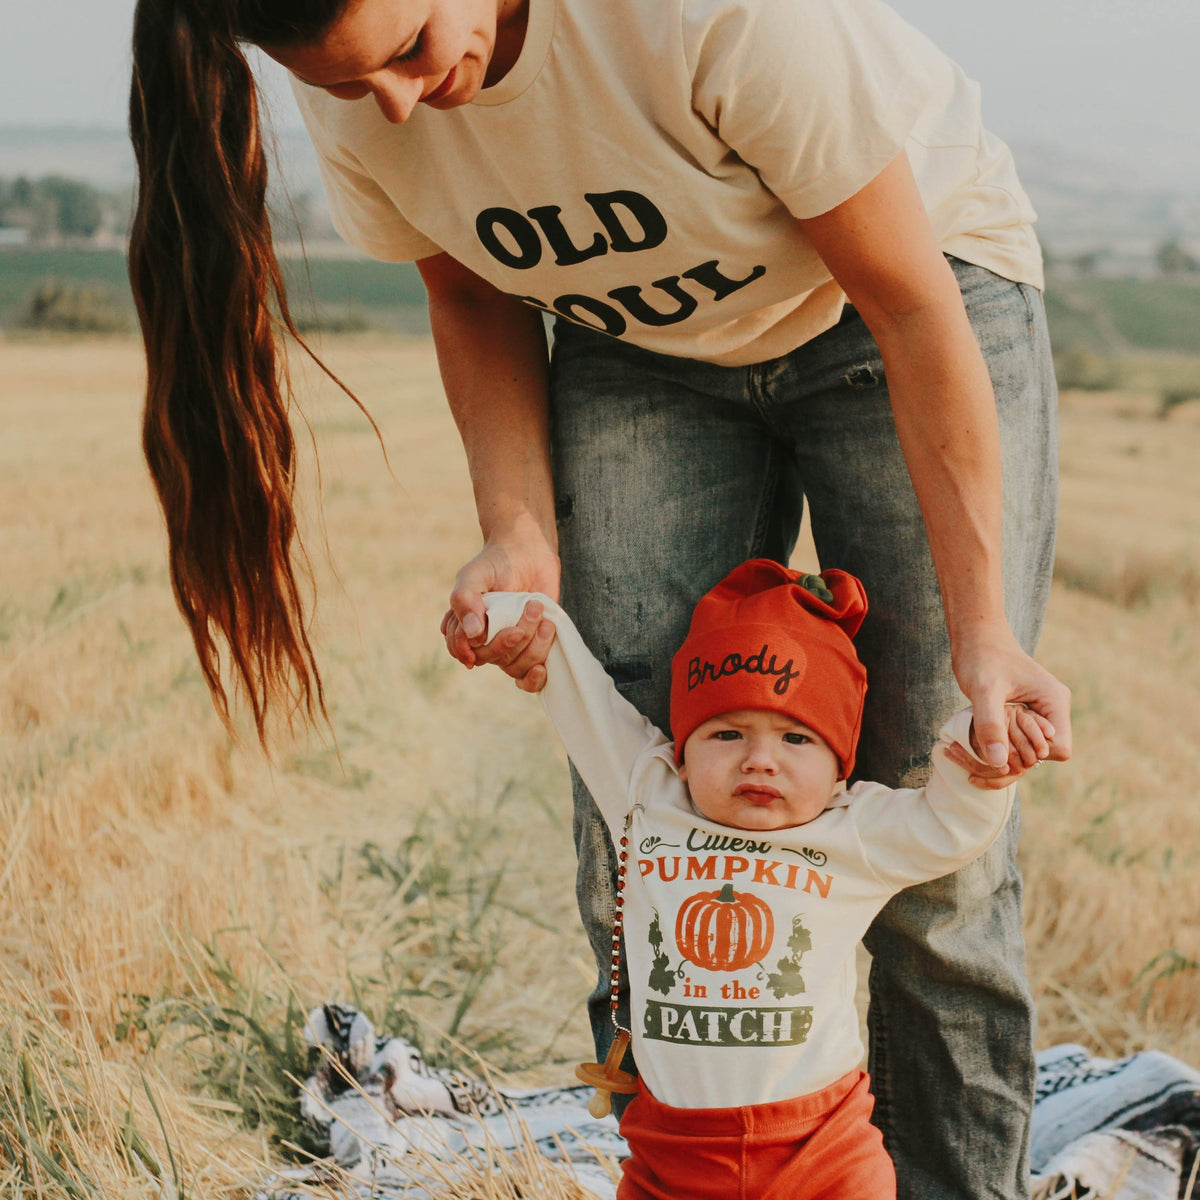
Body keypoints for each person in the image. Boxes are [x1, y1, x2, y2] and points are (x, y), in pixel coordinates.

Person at [127, 0, 1072, 1194]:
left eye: (413, 51)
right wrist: (516, 538)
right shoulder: (361, 78)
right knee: (638, 844)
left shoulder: (700, 18)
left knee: (937, 861)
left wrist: (985, 634)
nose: (405, 107)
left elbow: (908, 300)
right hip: (640, 346)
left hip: (894, 304)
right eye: (359, 85)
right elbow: (470, 291)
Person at [477, 561, 1055, 1200]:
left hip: (822, 1151)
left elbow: (952, 823)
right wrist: (513, 616)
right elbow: (581, 694)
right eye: (726, 733)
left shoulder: (852, 830)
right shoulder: (647, 795)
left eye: (796, 738)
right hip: (674, 1153)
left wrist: (978, 750)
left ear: (839, 764)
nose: (759, 758)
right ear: (681, 752)